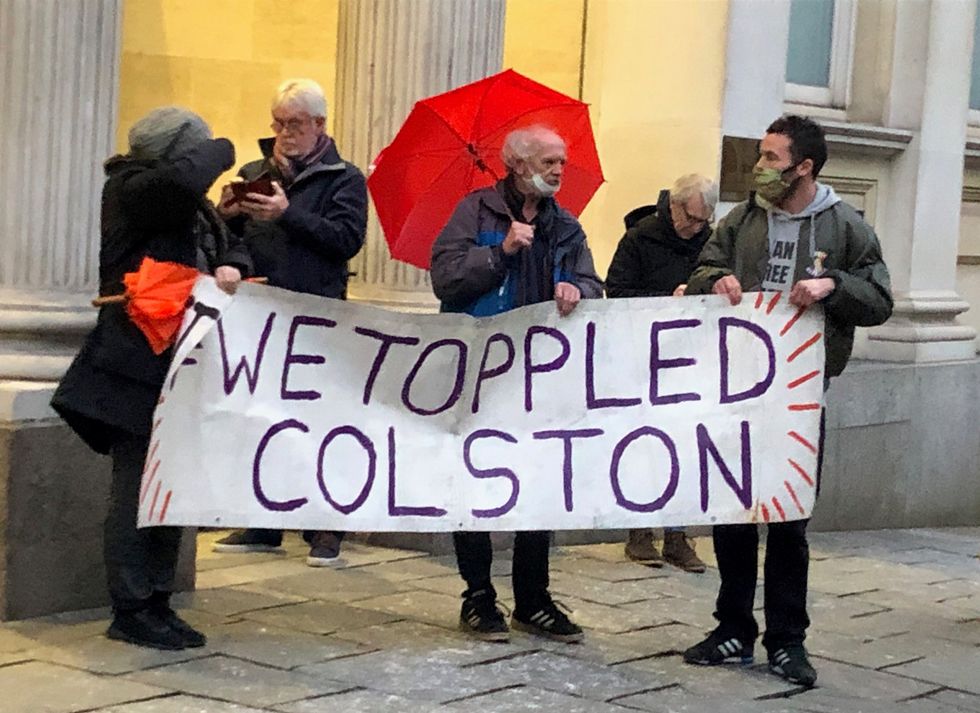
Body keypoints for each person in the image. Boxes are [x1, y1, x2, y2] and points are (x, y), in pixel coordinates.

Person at [682, 115, 892, 687]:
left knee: (789, 521)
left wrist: (834, 286)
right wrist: (716, 281)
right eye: (761, 155)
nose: (760, 166)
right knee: (733, 513)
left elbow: (879, 299)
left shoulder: (846, 226)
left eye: (772, 158)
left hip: (799, 399)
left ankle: (786, 640)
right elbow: (702, 269)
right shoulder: (743, 218)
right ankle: (732, 627)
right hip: (738, 390)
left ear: (805, 167)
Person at [52, 107, 248, 650]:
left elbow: (218, 243)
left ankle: (159, 599)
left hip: (180, 366)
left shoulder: (181, 199)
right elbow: (187, 176)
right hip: (135, 365)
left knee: (172, 484)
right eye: (195, 148)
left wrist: (232, 256)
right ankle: (131, 606)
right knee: (138, 487)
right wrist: (222, 143)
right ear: (176, 151)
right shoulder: (131, 186)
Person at [430, 125, 603, 643]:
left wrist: (579, 287)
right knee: (473, 480)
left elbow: (594, 284)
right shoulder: (475, 212)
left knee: (539, 482)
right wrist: (499, 252)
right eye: (549, 161)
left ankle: (533, 598)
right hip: (479, 372)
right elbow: (447, 280)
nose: (558, 171)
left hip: (539, 378)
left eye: (562, 163)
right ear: (518, 163)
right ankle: (479, 595)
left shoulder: (565, 227)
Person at [212, 78, 368, 567]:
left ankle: (326, 528)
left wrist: (288, 213)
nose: (283, 133)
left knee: (321, 421)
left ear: (319, 125)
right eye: (278, 123)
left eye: (294, 124)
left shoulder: (344, 178)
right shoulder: (256, 170)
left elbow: (345, 239)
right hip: (260, 311)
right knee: (264, 415)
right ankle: (264, 520)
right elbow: (230, 240)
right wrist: (226, 216)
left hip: (317, 315)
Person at [606, 173, 718, 574]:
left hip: (692, 359)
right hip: (644, 358)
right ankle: (639, 532)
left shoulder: (709, 244)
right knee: (645, 444)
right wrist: (666, 300)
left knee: (685, 446)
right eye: (691, 218)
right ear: (673, 207)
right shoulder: (639, 238)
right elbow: (615, 293)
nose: (696, 228)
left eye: (704, 221)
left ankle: (677, 535)